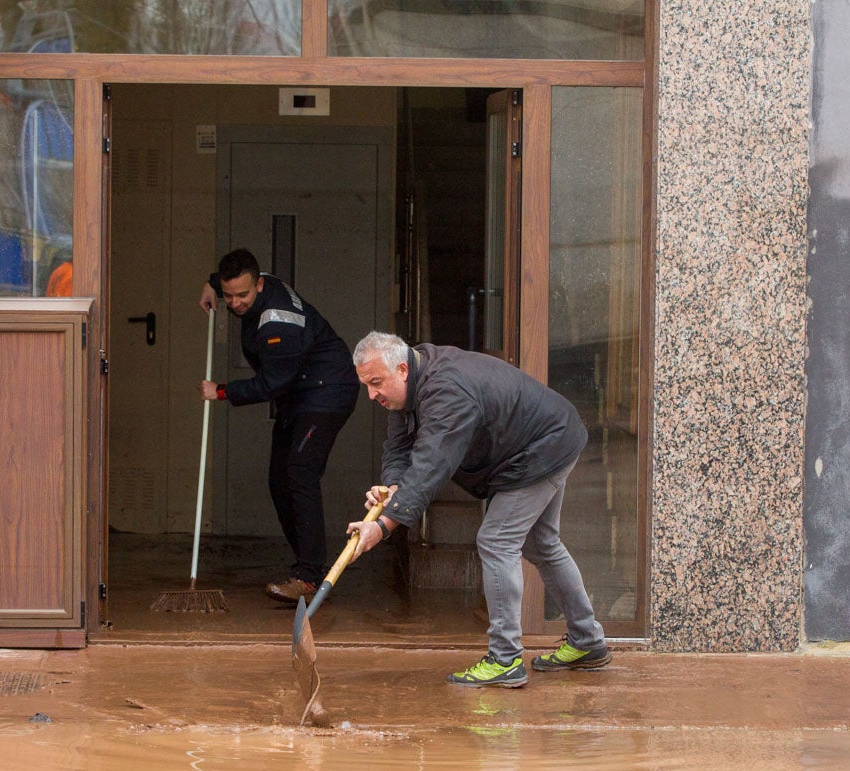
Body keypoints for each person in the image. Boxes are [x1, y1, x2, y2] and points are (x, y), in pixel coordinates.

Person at [346, 331, 609, 688]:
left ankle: (504, 660)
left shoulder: (446, 391)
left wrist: (384, 525)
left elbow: (431, 465)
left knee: (497, 540)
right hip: (543, 439)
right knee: (540, 543)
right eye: (367, 385)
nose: (372, 394)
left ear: (403, 369)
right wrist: (391, 487)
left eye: (376, 383)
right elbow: (398, 447)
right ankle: (587, 642)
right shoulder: (407, 387)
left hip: (543, 446)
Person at [198, 248, 360, 603]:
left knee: (299, 475)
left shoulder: (278, 323)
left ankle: (309, 577)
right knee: (279, 480)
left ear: (259, 285)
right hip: (301, 394)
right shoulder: (260, 282)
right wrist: (212, 285)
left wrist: (222, 391)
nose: (236, 303)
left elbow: (272, 384)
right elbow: (230, 278)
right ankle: (306, 566)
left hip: (325, 393)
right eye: (229, 295)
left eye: (242, 295)